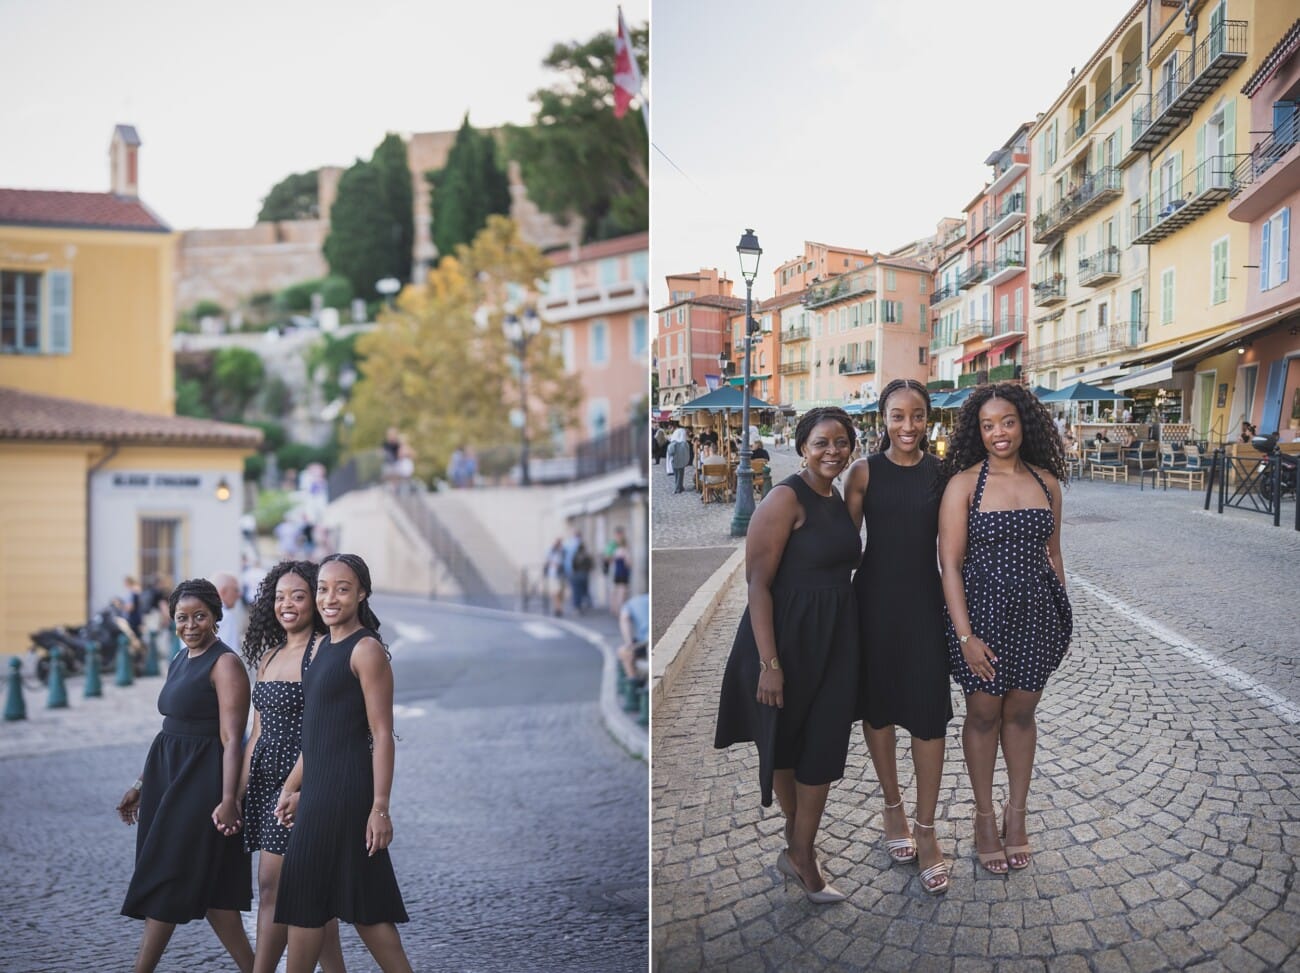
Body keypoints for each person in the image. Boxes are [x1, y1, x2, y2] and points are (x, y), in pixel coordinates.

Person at [714, 407, 862, 904]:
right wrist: (769, 663)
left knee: (824, 745)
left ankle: (799, 849)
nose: (832, 451)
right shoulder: (784, 498)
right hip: (784, 639)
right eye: (821, 443)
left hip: (837, 636)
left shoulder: (836, 495)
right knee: (785, 741)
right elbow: (758, 584)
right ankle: (801, 852)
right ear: (802, 447)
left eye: (841, 442)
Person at [937, 382, 1072, 875]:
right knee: (983, 716)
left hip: (1036, 616)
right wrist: (966, 636)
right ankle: (983, 819)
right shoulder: (963, 485)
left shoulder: (1046, 483)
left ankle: (1017, 817)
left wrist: (1060, 616)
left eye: (1007, 422)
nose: (999, 433)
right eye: (988, 425)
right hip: (983, 617)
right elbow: (949, 565)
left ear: (1025, 425)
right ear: (978, 431)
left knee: (1020, 715)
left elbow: (1054, 554)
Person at [273, 554, 412, 972]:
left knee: (304, 898)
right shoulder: (318, 647)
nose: (330, 598)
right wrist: (294, 787)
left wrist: (380, 807)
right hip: (320, 792)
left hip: (347, 793)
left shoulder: (366, 650)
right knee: (365, 906)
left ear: (362, 593)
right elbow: (316, 733)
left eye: (343, 588)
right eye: (323, 589)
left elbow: (383, 734)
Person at [843, 378, 952, 896]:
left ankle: (927, 831)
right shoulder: (863, 473)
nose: (907, 426)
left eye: (916, 415)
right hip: (873, 606)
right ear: (881, 418)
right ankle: (893, 809)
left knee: (929, 718)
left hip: (926, 607)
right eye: (896, 415)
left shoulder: (943, 475)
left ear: (927, 419)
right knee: (879, 709)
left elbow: (955, 553)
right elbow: (842, 547)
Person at [117, 578, 253, 973]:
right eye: (182, 617)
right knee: (218, 900)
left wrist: (230, 800)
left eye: (199, 617)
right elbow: (171, 730)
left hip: (202, 784)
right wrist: (141, 785)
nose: (190, 625)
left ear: (215, 617)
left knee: (167, 873)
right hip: (167, 778)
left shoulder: (225, 663)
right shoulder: (180, 658)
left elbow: (232, 739)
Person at [237, 561, 346, 973]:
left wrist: (304, 788)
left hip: (303, 784)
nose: (287, 605)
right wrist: (234, 794)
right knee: (301, 899)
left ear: (314, 602)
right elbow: (256, 735)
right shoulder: (268, 658)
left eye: (298, 596)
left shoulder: (324, 651)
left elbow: (328, 731)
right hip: (266, 782)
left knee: (283, 890)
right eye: (279, 597)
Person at [616, 591, 650, 681]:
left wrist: (629, 643)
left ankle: (633, 681)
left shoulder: (628, 604)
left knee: (624, 652)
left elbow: (624, 619)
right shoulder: (648, 598)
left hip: (644, 641)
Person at [214, 572, 248, 652]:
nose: (239, 595)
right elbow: (230, 651)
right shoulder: (226, 616)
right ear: (223, 591)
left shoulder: (202, 614)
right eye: (236, 590)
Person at [606, 526, 632, 616]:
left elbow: (628, 563)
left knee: (619, 591)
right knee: (620, 591)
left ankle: (616, 609)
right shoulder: (613, 545)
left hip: (619, 572)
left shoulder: (620, 546)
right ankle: (617, 609)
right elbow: (607, 558)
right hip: (617, 572)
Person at [570, 541, 594, 613]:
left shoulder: (575, 555)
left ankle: (578, 606)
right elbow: (590, 565)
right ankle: (588, 603)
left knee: (577, 592)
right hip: (584, 574)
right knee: (585, 590)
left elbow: (573, 565)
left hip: (577, 574)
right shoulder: (587, 556)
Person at [544, 540, 567, 617]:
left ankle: (559, 607)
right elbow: (548, 561)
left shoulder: (563, 552)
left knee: (561, 592)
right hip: (554, 574)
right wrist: (554, 565)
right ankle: (558, 608)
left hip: (562, 574)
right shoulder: (551, 552)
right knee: (556, 591)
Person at [666, 428, 691, 494]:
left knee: (677, 475)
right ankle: (678, 488)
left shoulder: (673, 443)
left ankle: (679, 487)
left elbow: (670, 452)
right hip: (681, 461)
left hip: (674, 461)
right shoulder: (684, 444)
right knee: (680, 475)